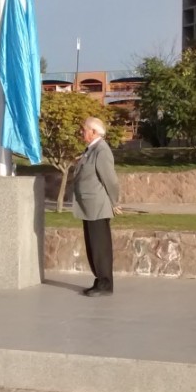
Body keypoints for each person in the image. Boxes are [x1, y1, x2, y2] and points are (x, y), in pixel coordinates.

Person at [72, 117, 122, 297]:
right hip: (89, 206)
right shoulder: (91, 150)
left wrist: (115, 202)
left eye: (84, 129)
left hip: (97, 206)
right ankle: (99, 280)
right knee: (92, 245)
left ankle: (105, 283)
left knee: (100, 246)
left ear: (93, 132)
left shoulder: (102, 150)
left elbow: (111, 180)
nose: (82, 132)